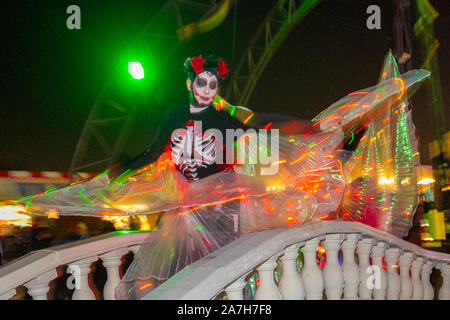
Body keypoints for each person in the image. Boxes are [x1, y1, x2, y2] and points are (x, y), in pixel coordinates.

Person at [20, 51, 429, 300]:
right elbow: (149, 155)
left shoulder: (226, 118)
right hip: (184, 217)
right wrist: (117, 171)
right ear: (190, 82)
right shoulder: (174, 117)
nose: (207, 89)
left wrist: (315, 131)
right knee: (185, 282)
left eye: (213, 83)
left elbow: (263, 130)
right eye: (201, 82)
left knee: (228, 279)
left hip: (223, 213)